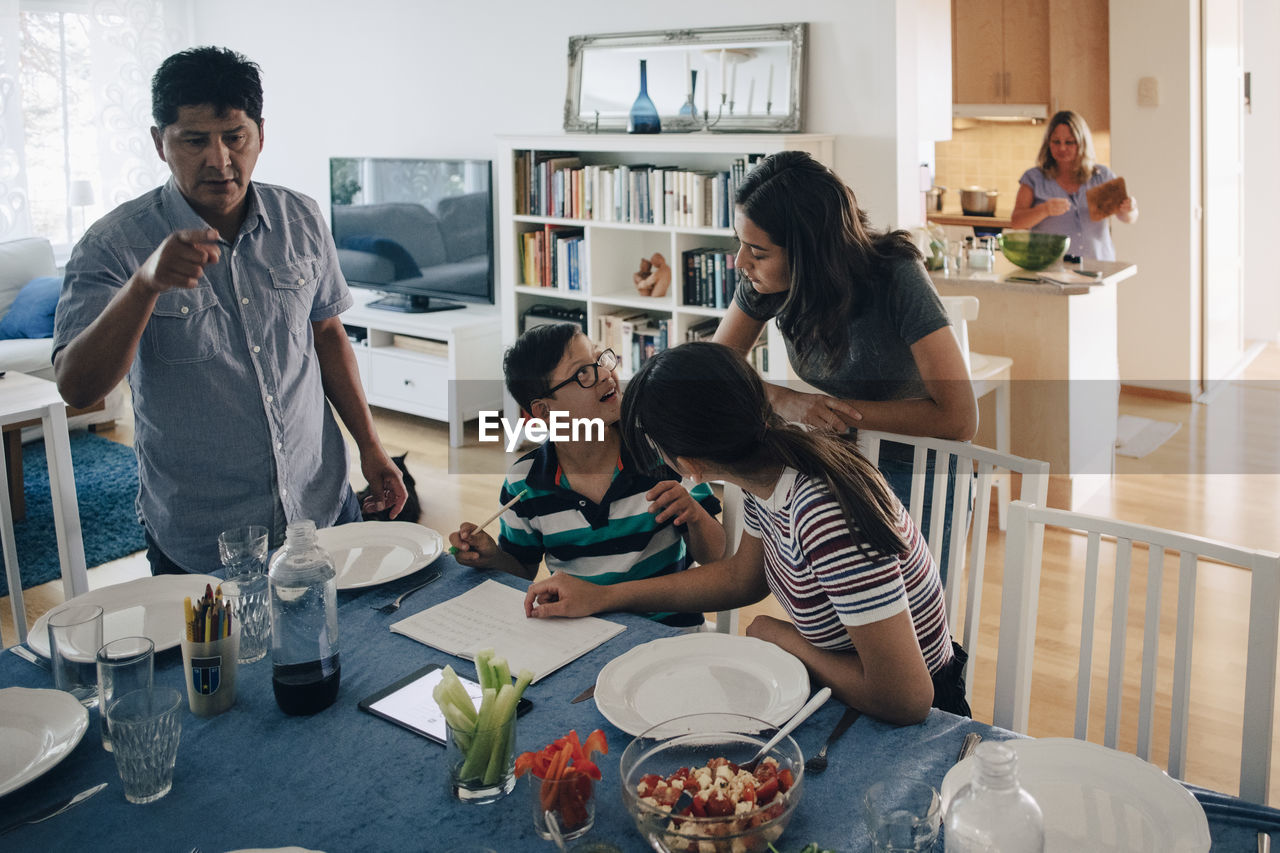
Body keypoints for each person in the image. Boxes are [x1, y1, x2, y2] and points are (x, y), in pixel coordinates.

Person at [52, 46, 407, 575]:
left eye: (234, 137)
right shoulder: (112, 245)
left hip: (323, 511)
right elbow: (78, 388)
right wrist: (145, 286)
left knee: (346, 655)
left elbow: (328, 334)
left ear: (260, 134)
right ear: (159, 143)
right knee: (223, 661)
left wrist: (372, 450)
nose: (219, 160)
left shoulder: (302, 218)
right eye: (195, 141)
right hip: (201, 540)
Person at [524, 342, 970, 723]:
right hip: (850, 691)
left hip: (909, 717)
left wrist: (785, 638)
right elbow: (742, 577)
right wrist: (603, 595)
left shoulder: (822, 516)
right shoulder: (771, 466)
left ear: (691, 466)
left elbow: (907, 699)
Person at [712, 150, 977, 583]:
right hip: (842, 464)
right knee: (840, 618)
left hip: (921, 471)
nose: (741, 261)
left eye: (757, 251)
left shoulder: (895, 275)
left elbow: (960, 417)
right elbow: (714, 368)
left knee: (911, 626)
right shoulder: (768, 280)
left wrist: (831, 416)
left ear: (809, 253)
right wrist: (784, 400)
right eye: (741, 243)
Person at [449, 322, 724, 628]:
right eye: (582, 372)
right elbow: (522, 571)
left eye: (600, 359)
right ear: (543, 411)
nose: (605, 373)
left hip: (668, 632)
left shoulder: (662, 451)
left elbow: (718, 558)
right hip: (580, 633)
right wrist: (492, 558)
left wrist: (695, 515)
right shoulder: (523, 483)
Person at [1010, 109, 1139, 262]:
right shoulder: (1034, 178)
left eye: (1069, 142)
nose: (1062, 148)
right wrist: (1044, 210)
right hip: (1050, 270)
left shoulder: (1101, 176)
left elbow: (1127, 218)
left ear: (1082, 143)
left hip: (1098, 268)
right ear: (1048, 143)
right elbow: (1016, 222)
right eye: (1056, 142)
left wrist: (1130, 208)